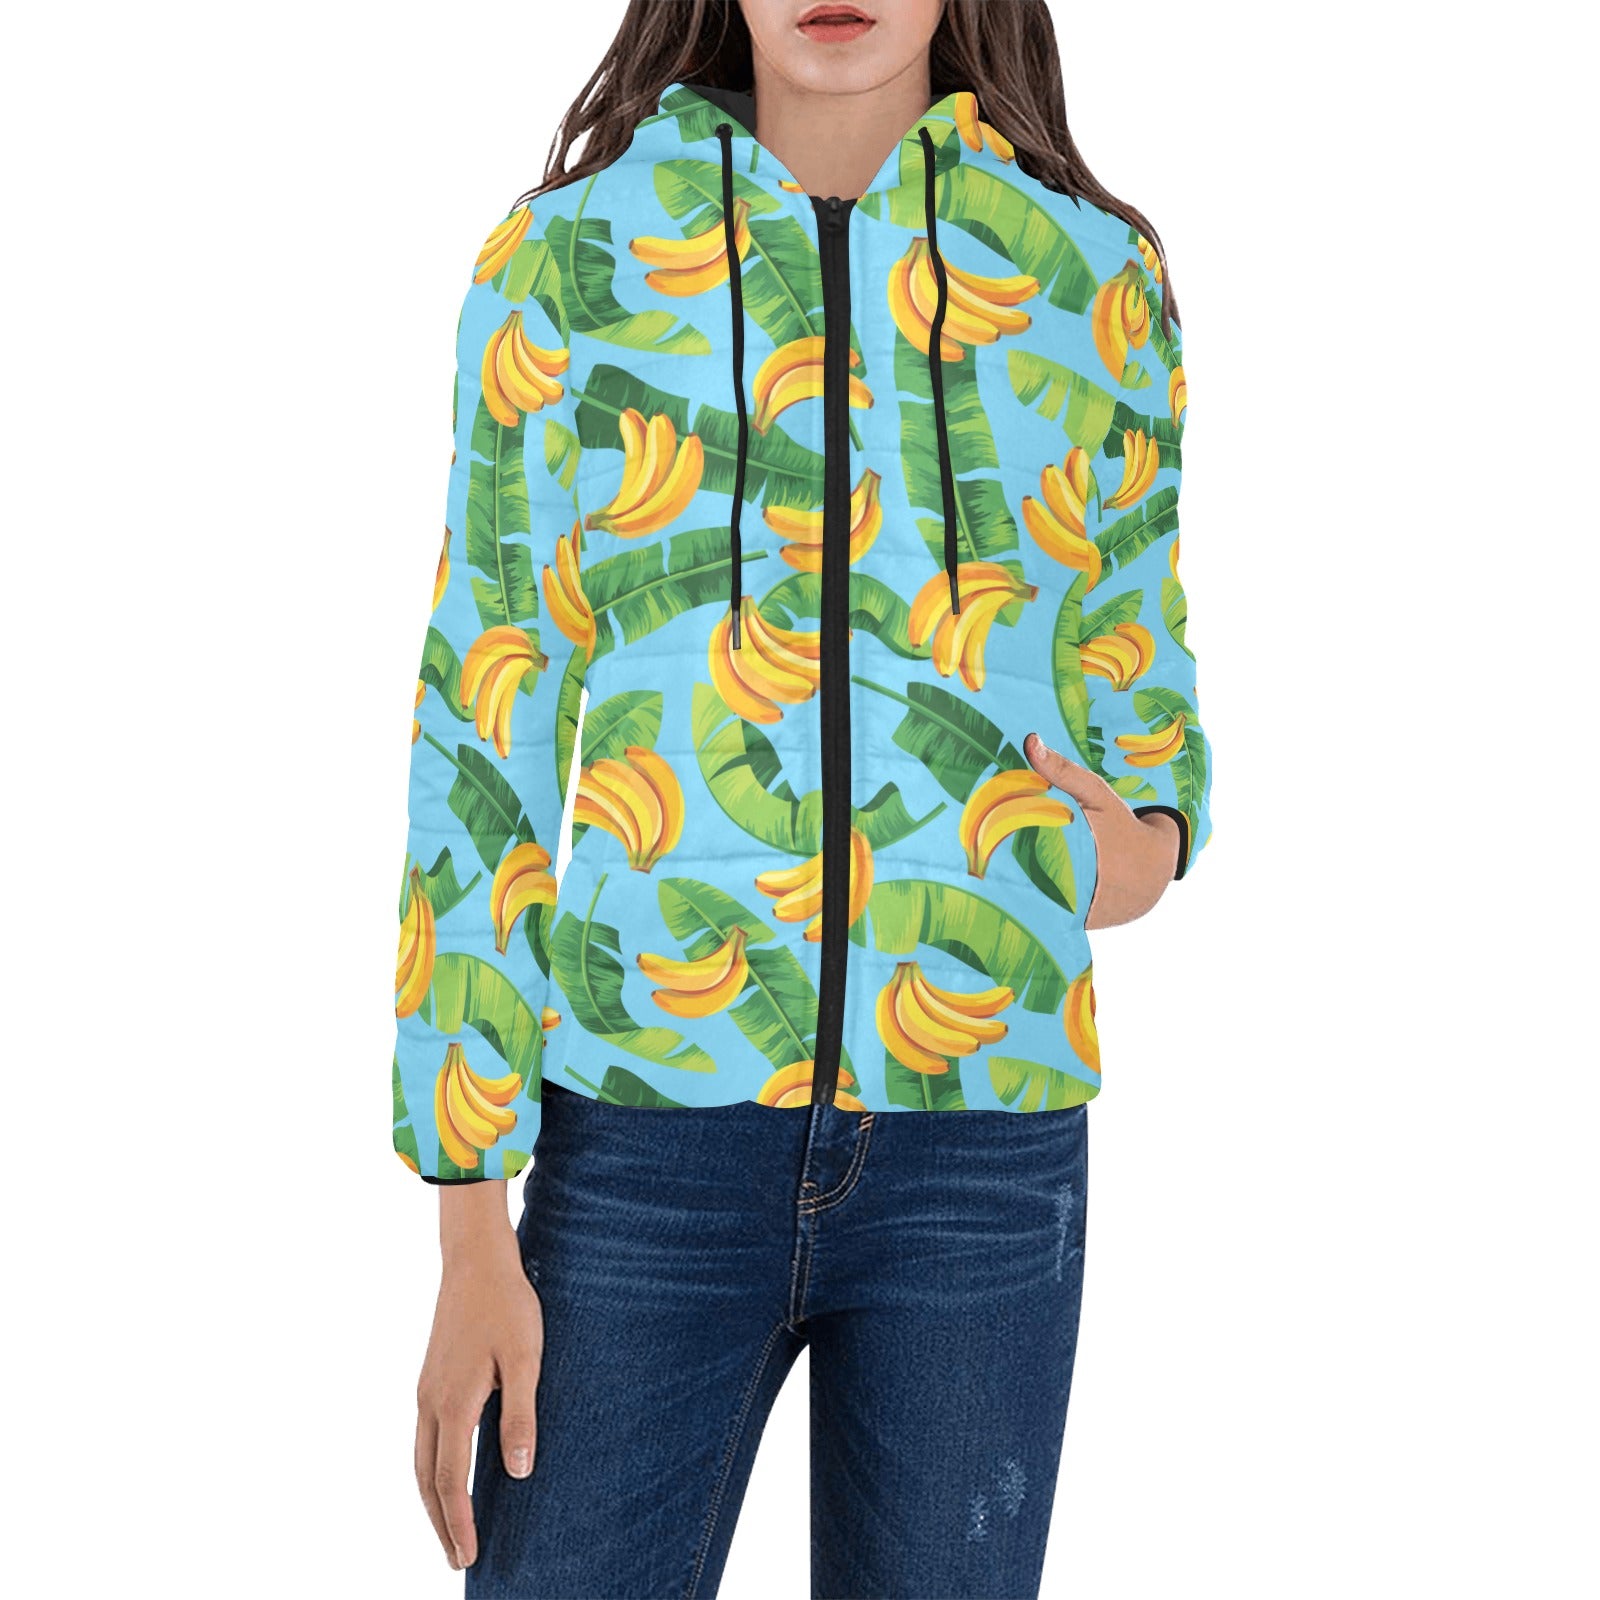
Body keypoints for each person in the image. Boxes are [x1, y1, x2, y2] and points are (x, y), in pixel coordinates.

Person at [394, 2, 1214, 1594]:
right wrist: (467, 1218)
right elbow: (482, 725)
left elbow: (1140, 650)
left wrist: (1144, 845)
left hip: (983, 1145)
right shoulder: (567, 263)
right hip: (643, 1137)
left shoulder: (1088, 277)